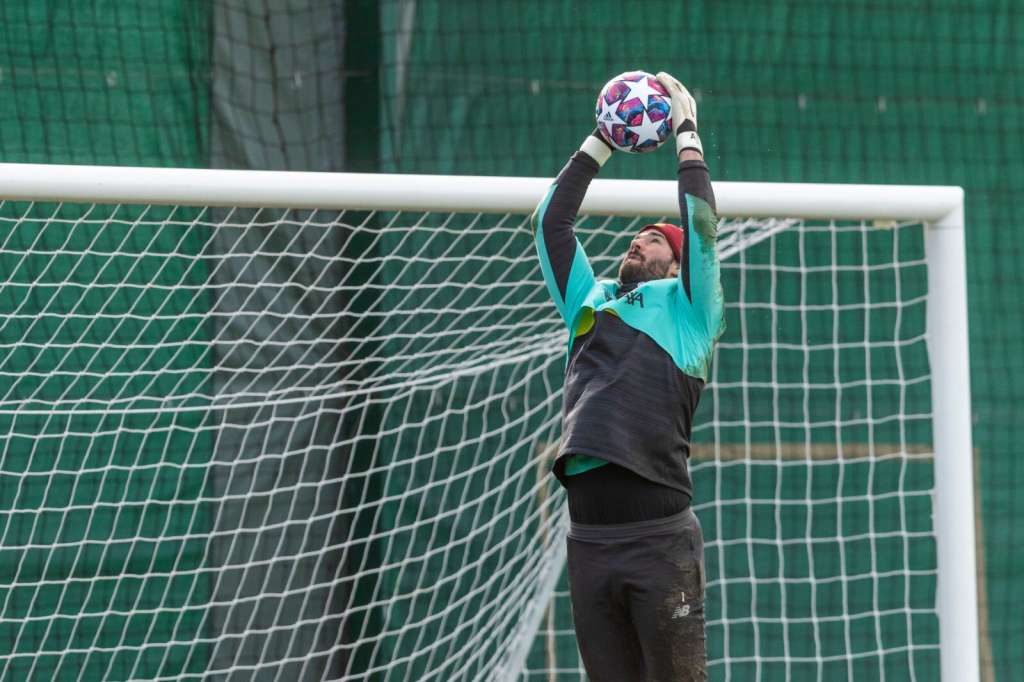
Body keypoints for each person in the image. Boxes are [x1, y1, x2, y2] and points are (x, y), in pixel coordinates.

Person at [532, 72, 725, 681]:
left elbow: (698, 223)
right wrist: (602, 141)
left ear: (677, 265)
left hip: (658, 540)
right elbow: (551, 225)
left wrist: (685, 134)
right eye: (637, 236)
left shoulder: (692, 312)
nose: (641, 240)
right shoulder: (590, 302)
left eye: (656, 240)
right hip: (588, 542)